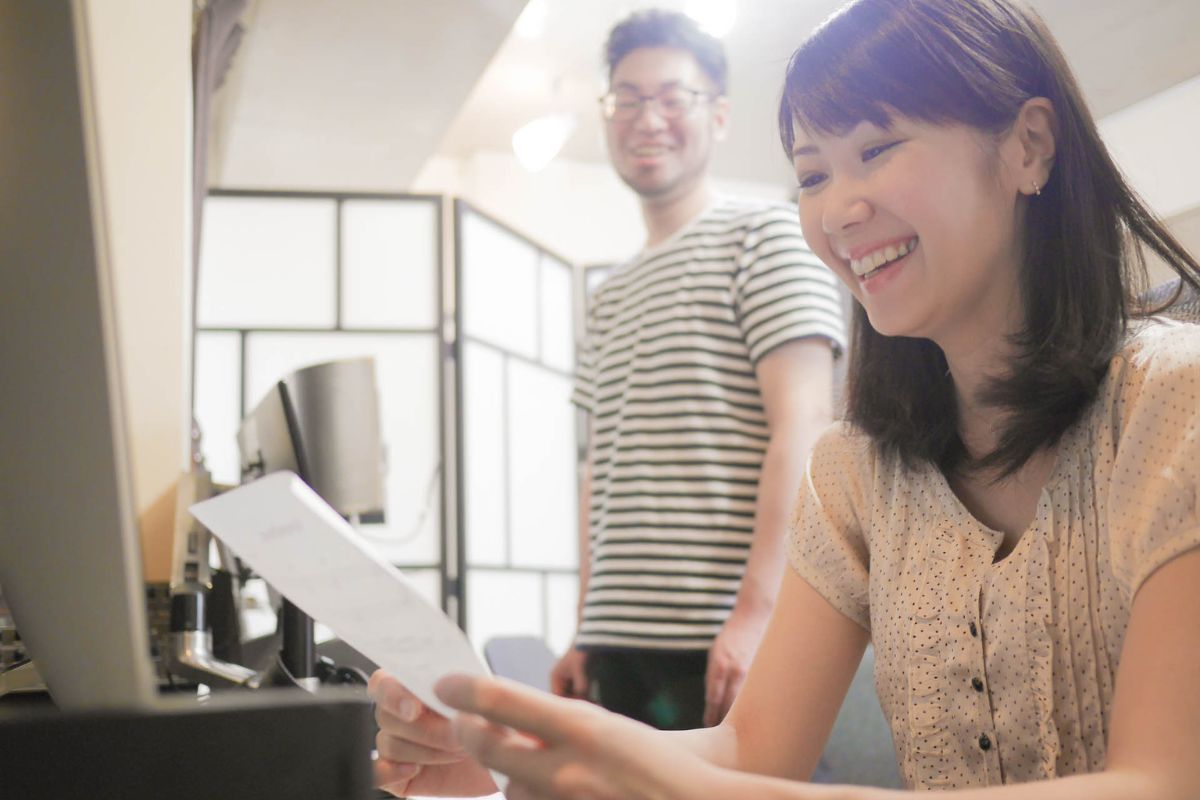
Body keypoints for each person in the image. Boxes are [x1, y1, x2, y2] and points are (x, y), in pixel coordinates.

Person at [367, 0, 1200, 797]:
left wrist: (741, 630)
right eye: (811, 174)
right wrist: (507, 756)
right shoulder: (857, 472)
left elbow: (1162, 786)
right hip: (622, 628)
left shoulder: (1172, 404)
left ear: (1028, 146)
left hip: (704, 621)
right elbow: (749, 751)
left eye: (877, 148)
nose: (838, 209)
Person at [548, 8, 845, 731]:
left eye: (672, 97)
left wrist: (757, 614)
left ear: (717, 114)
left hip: (719, 640)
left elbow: (806, 428)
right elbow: (598, 471)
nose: (647, 119)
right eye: (627, 98)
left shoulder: (766, 236)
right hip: (615, 643)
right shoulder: (608, 293)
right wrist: (585, 627)